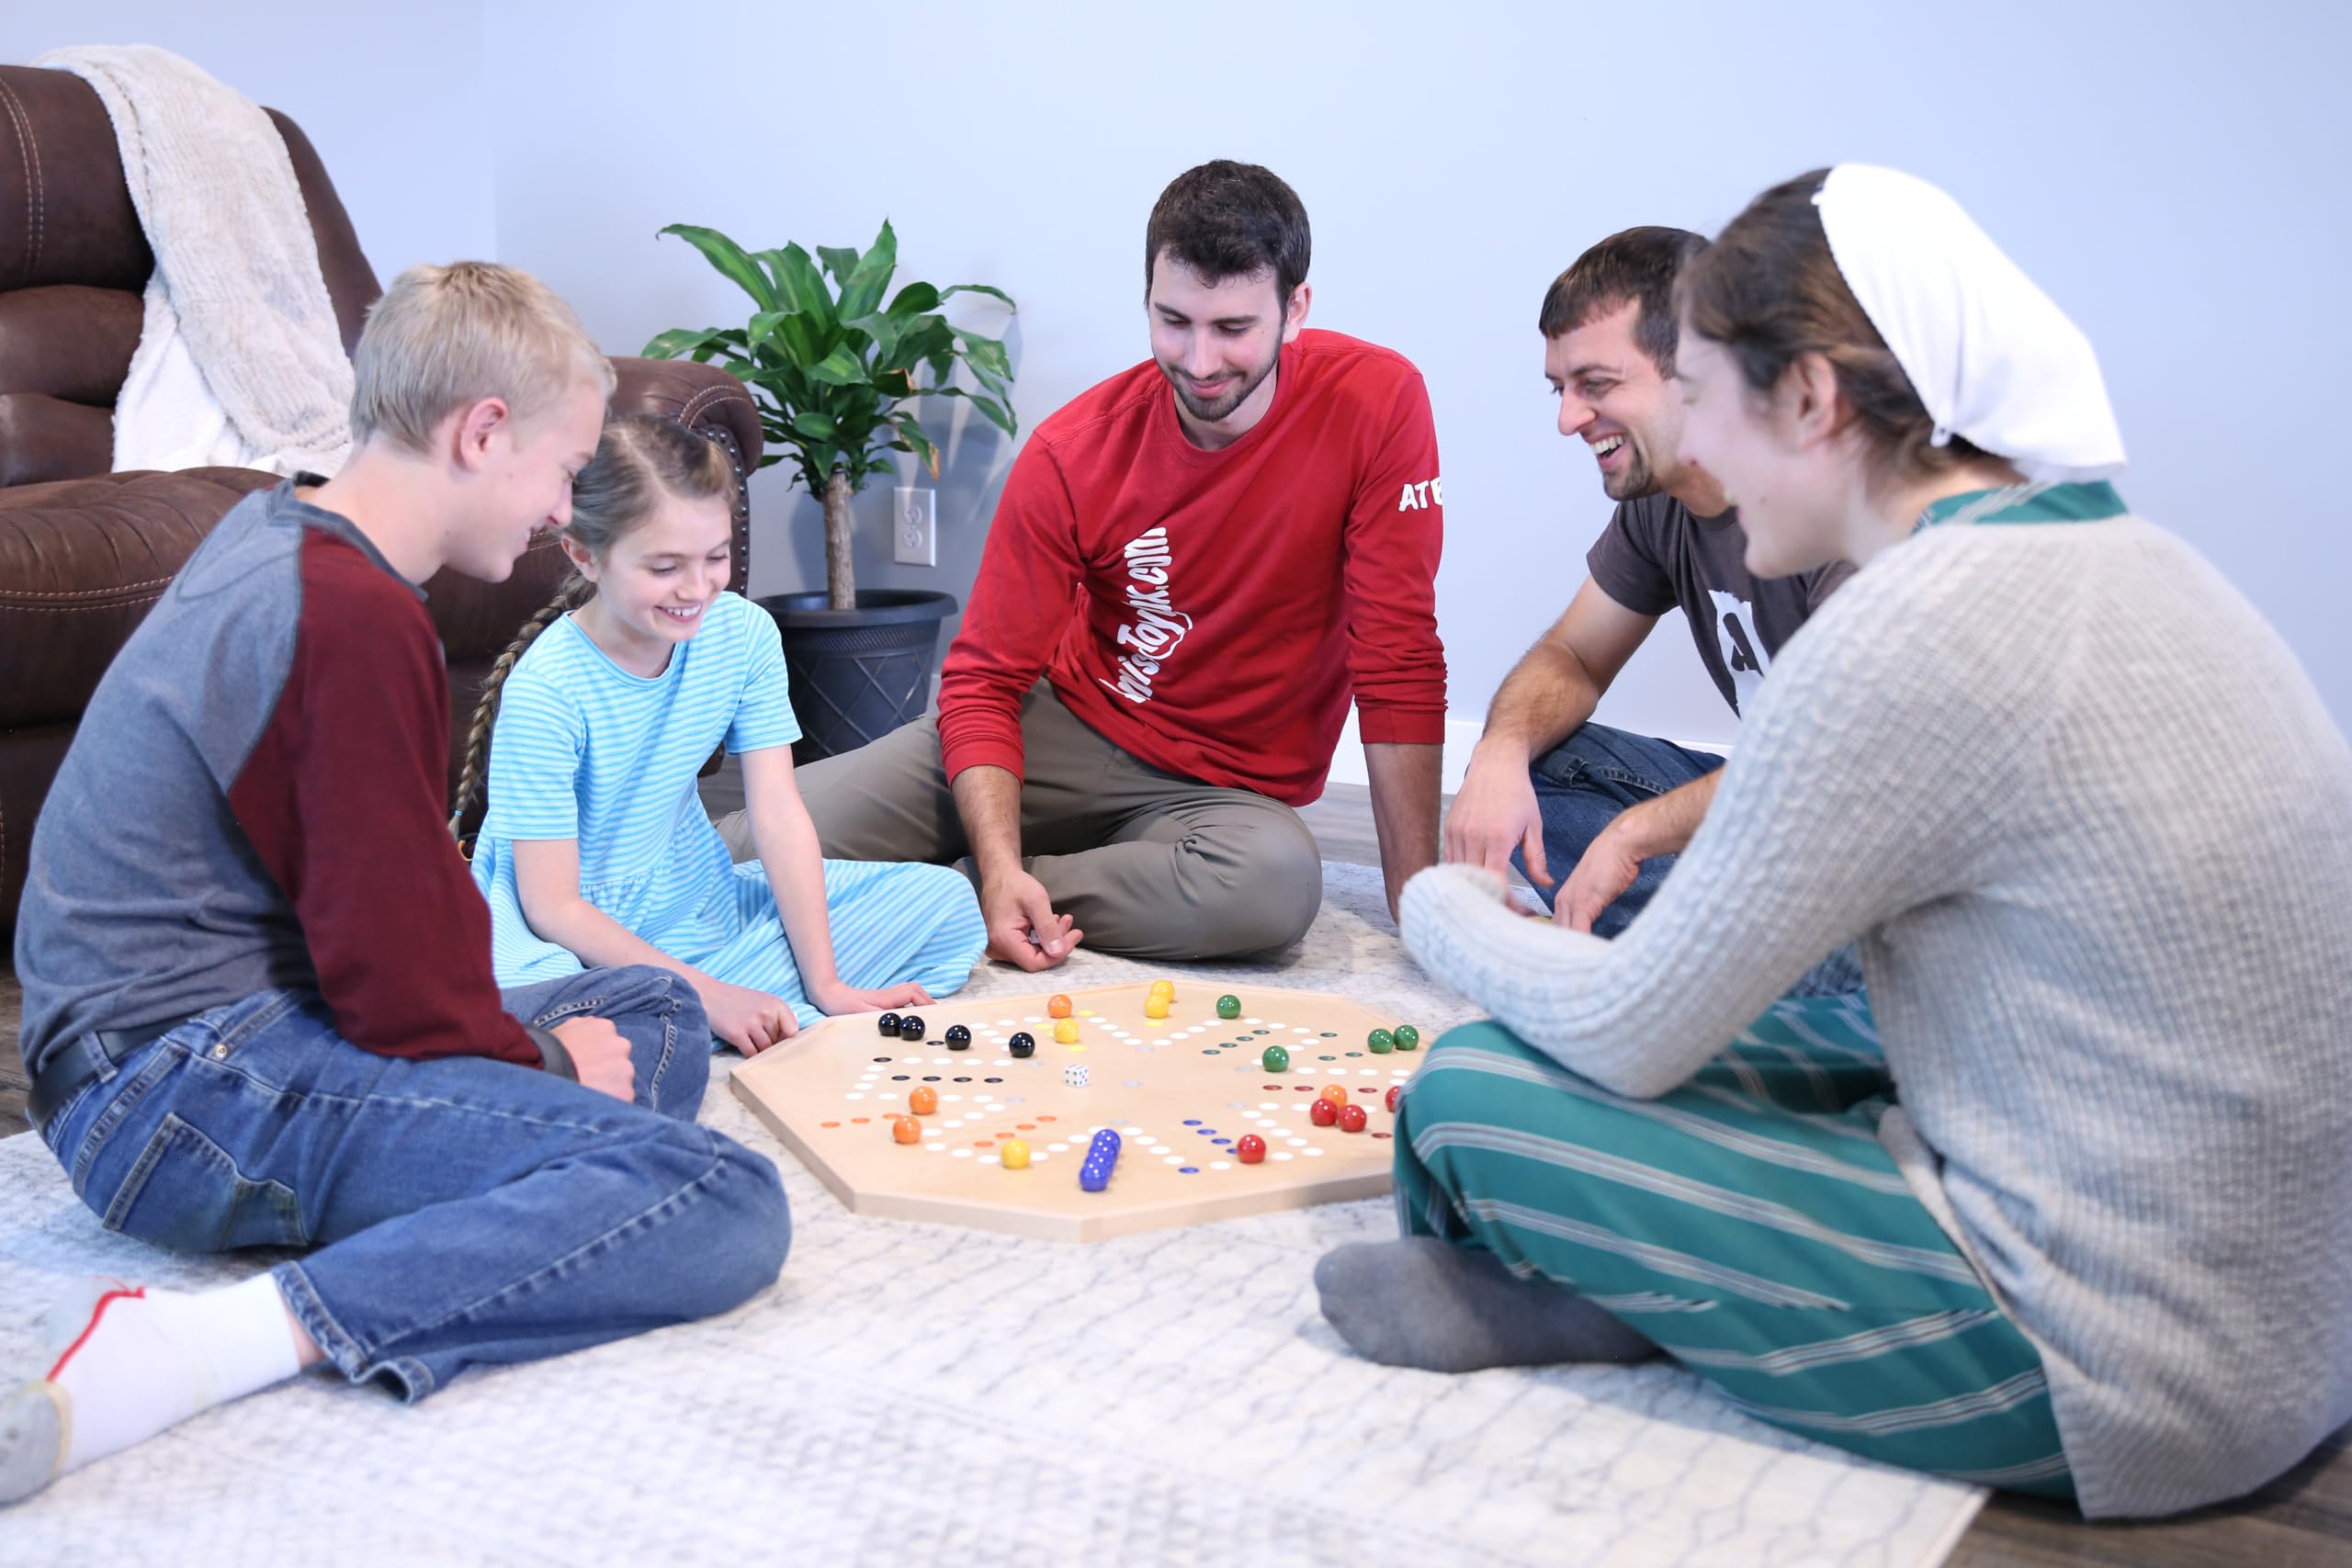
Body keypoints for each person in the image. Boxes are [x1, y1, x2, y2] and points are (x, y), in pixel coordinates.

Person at [1317, 166, 2352, 1518]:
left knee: (1473, 1087)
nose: (1711, 455)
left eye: (1714, 392)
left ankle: (1646, 1295)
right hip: (2288, 1331)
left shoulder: (1906, 625)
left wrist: (1448, 904)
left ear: (1808, 398)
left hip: (2131, 1379)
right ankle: (1670, 1291)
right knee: (1733, 1042)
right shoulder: (2118, 552)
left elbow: (1635, 1029)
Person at [3, 264, 788, 1506]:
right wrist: (539, 1070)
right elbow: (398, 992)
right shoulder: (350, 612)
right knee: (716, 1196)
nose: (552, 510)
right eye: (556, 467)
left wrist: (547, 1054)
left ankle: (459, 1205)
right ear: (481, 431)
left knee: (652, 1008)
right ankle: (208, 1341)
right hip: (170, 1088)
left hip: (194, 1046)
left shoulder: (289, 531)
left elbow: (392, 925)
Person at [715, 161, 1447, 968]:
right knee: (735, 852)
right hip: (1058, 724)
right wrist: (1001, 863)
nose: (1200, 360)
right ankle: (990, 880)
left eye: (1233, 328)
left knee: (1274, 886)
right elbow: (984, 681)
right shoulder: (1076, 450)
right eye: (1174, 322)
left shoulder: (1379, 405)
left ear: (1295, 307)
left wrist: (1421, 906)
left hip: (1220, 794)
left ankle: (946, 893)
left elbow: (1398, 659)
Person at [457, 413, 988, 1055]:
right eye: (663, 567)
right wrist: (709, 992)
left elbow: (777, 811)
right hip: (559, 937)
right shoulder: (547, 690)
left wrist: (827, 982)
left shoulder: (743, 634)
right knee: (548, 1012)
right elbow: (551, 907)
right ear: (584, 555)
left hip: (695, 903)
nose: (696, 587)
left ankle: (715, 1007)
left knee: (947, 903)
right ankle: (704, 1005)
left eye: (715, 557)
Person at [1444, 227, 1855, 993]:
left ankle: (1734, 971)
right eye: (1559, 388)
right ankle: (1709, 960)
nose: (1568, 418)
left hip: (1885, 864)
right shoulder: (1663, 500)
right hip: (1775, 835)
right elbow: (1574, 655)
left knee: (1851, 948)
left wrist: (1633, 835)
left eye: (1595, 385)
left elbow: (1833, 762)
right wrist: (1499, 750)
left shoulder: (1840, 500)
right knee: (1543, 758)